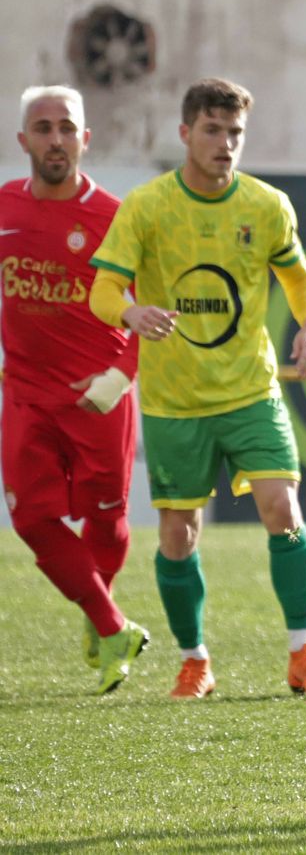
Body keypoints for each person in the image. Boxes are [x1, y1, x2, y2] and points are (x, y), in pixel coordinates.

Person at [87, 77, 306, 700]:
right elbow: (100, 292)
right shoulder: (146, 207)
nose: (225, 144)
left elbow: (301, 281)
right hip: (175, 402)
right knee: (179, 535)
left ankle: (303, 655)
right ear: (185, 134)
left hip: (251, 391)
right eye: (212, 130)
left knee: (283, 513)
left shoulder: (266, 205)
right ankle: (195, 660)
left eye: (235, 133)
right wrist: (130, 313)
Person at [2, 85, 148, 694]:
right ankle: (111, 623)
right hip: (27, 397)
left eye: (67, 127)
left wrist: (119, 378)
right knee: (32, 519)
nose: (55, 139)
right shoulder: (4, 207)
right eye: (43, 127)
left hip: (99, 398)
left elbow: (151, 312)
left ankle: (100, 613)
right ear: (23, 141)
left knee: (107, 521)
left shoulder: (116, 219)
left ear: (86, 139)